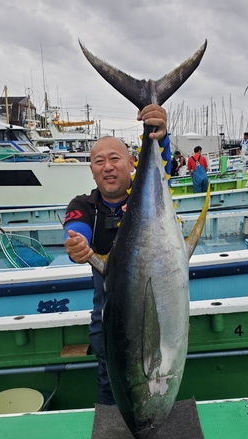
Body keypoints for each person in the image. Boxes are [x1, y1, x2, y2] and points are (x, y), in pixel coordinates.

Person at [63, 104, 170, 406]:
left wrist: (160, 137)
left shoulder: (152, 194)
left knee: (160, 380)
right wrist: (77, 247)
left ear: (131, 163)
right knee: (111, 391)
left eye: (114, 159)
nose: (107, 166)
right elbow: (75, 233)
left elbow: (166, 171)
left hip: (158, 316)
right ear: (92, 169)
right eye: (99, 161)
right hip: (109, 322)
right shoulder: (84, 205)